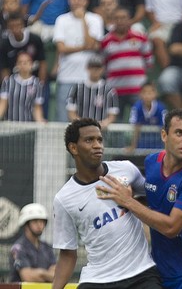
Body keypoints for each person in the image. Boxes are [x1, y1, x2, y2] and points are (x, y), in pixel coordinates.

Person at [98, 109, 182, 289]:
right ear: (164, 135)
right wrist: (128, 197)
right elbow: (154, 199)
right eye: (179, 133)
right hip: (158, 272)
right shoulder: (152, 162)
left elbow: (171, 227)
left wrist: (129, 201)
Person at [52, 118, 162, 289]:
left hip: (142, 275)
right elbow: (67, 254)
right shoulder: (64, 199)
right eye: (89, 140)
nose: (98, 145)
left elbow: (156, 197)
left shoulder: (126, 169)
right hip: (97, 280)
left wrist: (129, 200)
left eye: (100, 139)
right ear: (73, 148)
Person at [66, 56, 119, 129]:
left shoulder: (109, 90)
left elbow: (112, 115)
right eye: (92, 67)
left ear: (102, 69)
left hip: (101, 131)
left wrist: (102, 124)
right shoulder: (77, 88)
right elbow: (71, 112)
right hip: (81, 131)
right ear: (87, 68)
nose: (95, 70)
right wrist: (82, 124)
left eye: (98, 67)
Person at [9, 203, 55, 282]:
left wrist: (40, 274)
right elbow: (27, 277)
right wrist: (47, 274)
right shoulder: (18, 248)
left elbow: (56, 275)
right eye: (35, 221)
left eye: (42, 221)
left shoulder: (47, 247)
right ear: (26, 224)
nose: (39, 225)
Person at [0, 51, 45, 122]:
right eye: (20, 62)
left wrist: (40, 121)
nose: (23, 64)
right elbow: (3, 103)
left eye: (26, 62)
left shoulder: (37, 84)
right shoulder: (8, 82)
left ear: (31, 64)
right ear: (16, 65)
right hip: (9, 124)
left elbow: (37, 108)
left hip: (28, 125)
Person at [126, 82, 167, 152]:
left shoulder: (161, 108)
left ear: (155, 94)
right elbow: (136, 127)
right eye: (144, 92)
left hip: (158, 144)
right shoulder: (136, 108)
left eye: (150, 92)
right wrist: (133, 146)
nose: (147, 95)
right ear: (140, 94)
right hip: (141, 144)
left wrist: (166, 148)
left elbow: (164, 128)